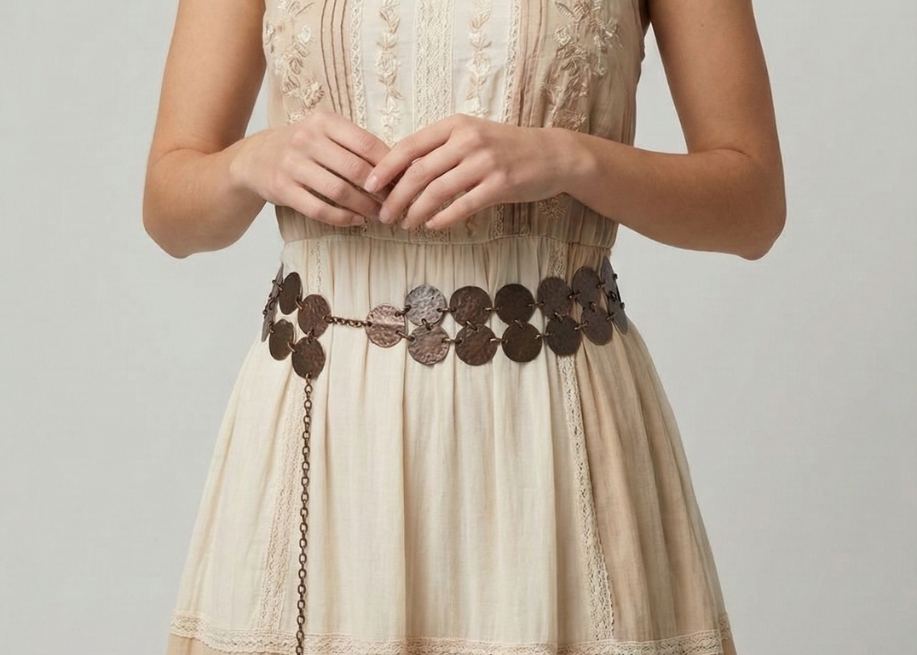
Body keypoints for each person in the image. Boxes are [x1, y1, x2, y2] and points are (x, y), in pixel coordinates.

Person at [143, 0, 784, 653]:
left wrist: (568, 159)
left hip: (553, 423)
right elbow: (169, 207)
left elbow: (752, 206)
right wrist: (249, 164)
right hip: (329, 425)